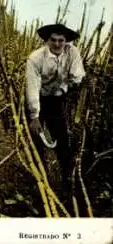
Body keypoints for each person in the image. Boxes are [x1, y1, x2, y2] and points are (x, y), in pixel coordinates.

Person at [25, 23, 85, 198]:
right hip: (38, 97)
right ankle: (39, 180)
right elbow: (32, 88)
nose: (57, 44)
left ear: (66, 41)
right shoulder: (35, 58)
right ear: (47, 40)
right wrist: (34, 116)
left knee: (62, 141)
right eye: (53, 40)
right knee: (36, 139)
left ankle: (68, 179)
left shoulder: (72, 52)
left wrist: (76, 84)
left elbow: (77, 76)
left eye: (61, 40)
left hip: (57, 100)